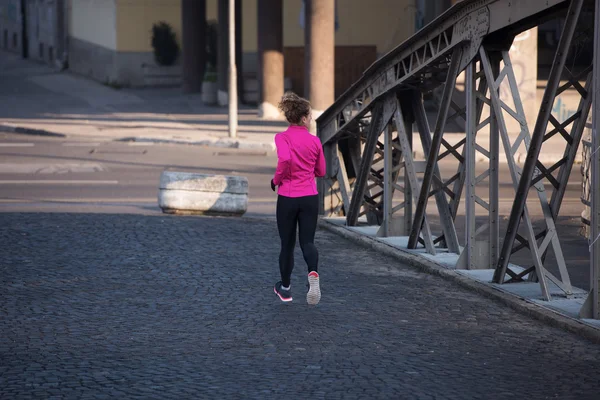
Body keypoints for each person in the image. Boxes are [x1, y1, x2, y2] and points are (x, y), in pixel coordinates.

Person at [271, 92, 326, 305]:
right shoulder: (314, 141)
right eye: (310, 116)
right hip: (309, 197)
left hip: (287, 197)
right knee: (308, 242)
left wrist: (276, 180)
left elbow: (284, 159)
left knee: (287, 244)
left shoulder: (282, 138)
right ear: (303, 118)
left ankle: (285, 289)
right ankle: (313, 274)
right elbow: (321, 171)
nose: (311, 119)